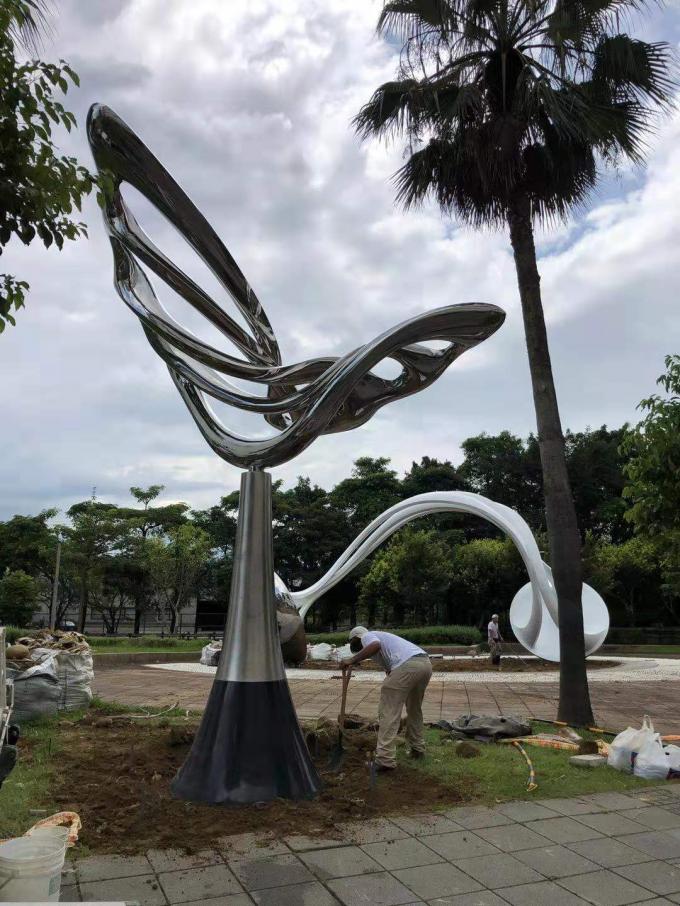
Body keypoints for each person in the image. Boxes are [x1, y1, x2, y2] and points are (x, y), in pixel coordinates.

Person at [340, 626, 432, 771]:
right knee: (414, 709)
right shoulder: (384, 640)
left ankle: (385, 760)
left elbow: (375, 646)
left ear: (356, 638)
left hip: (408, 665)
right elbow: (390, 668)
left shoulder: (367, 636)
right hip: (424, 664)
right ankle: (417, 749)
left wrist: (351, 660)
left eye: (354, 644)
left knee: (388, 711)